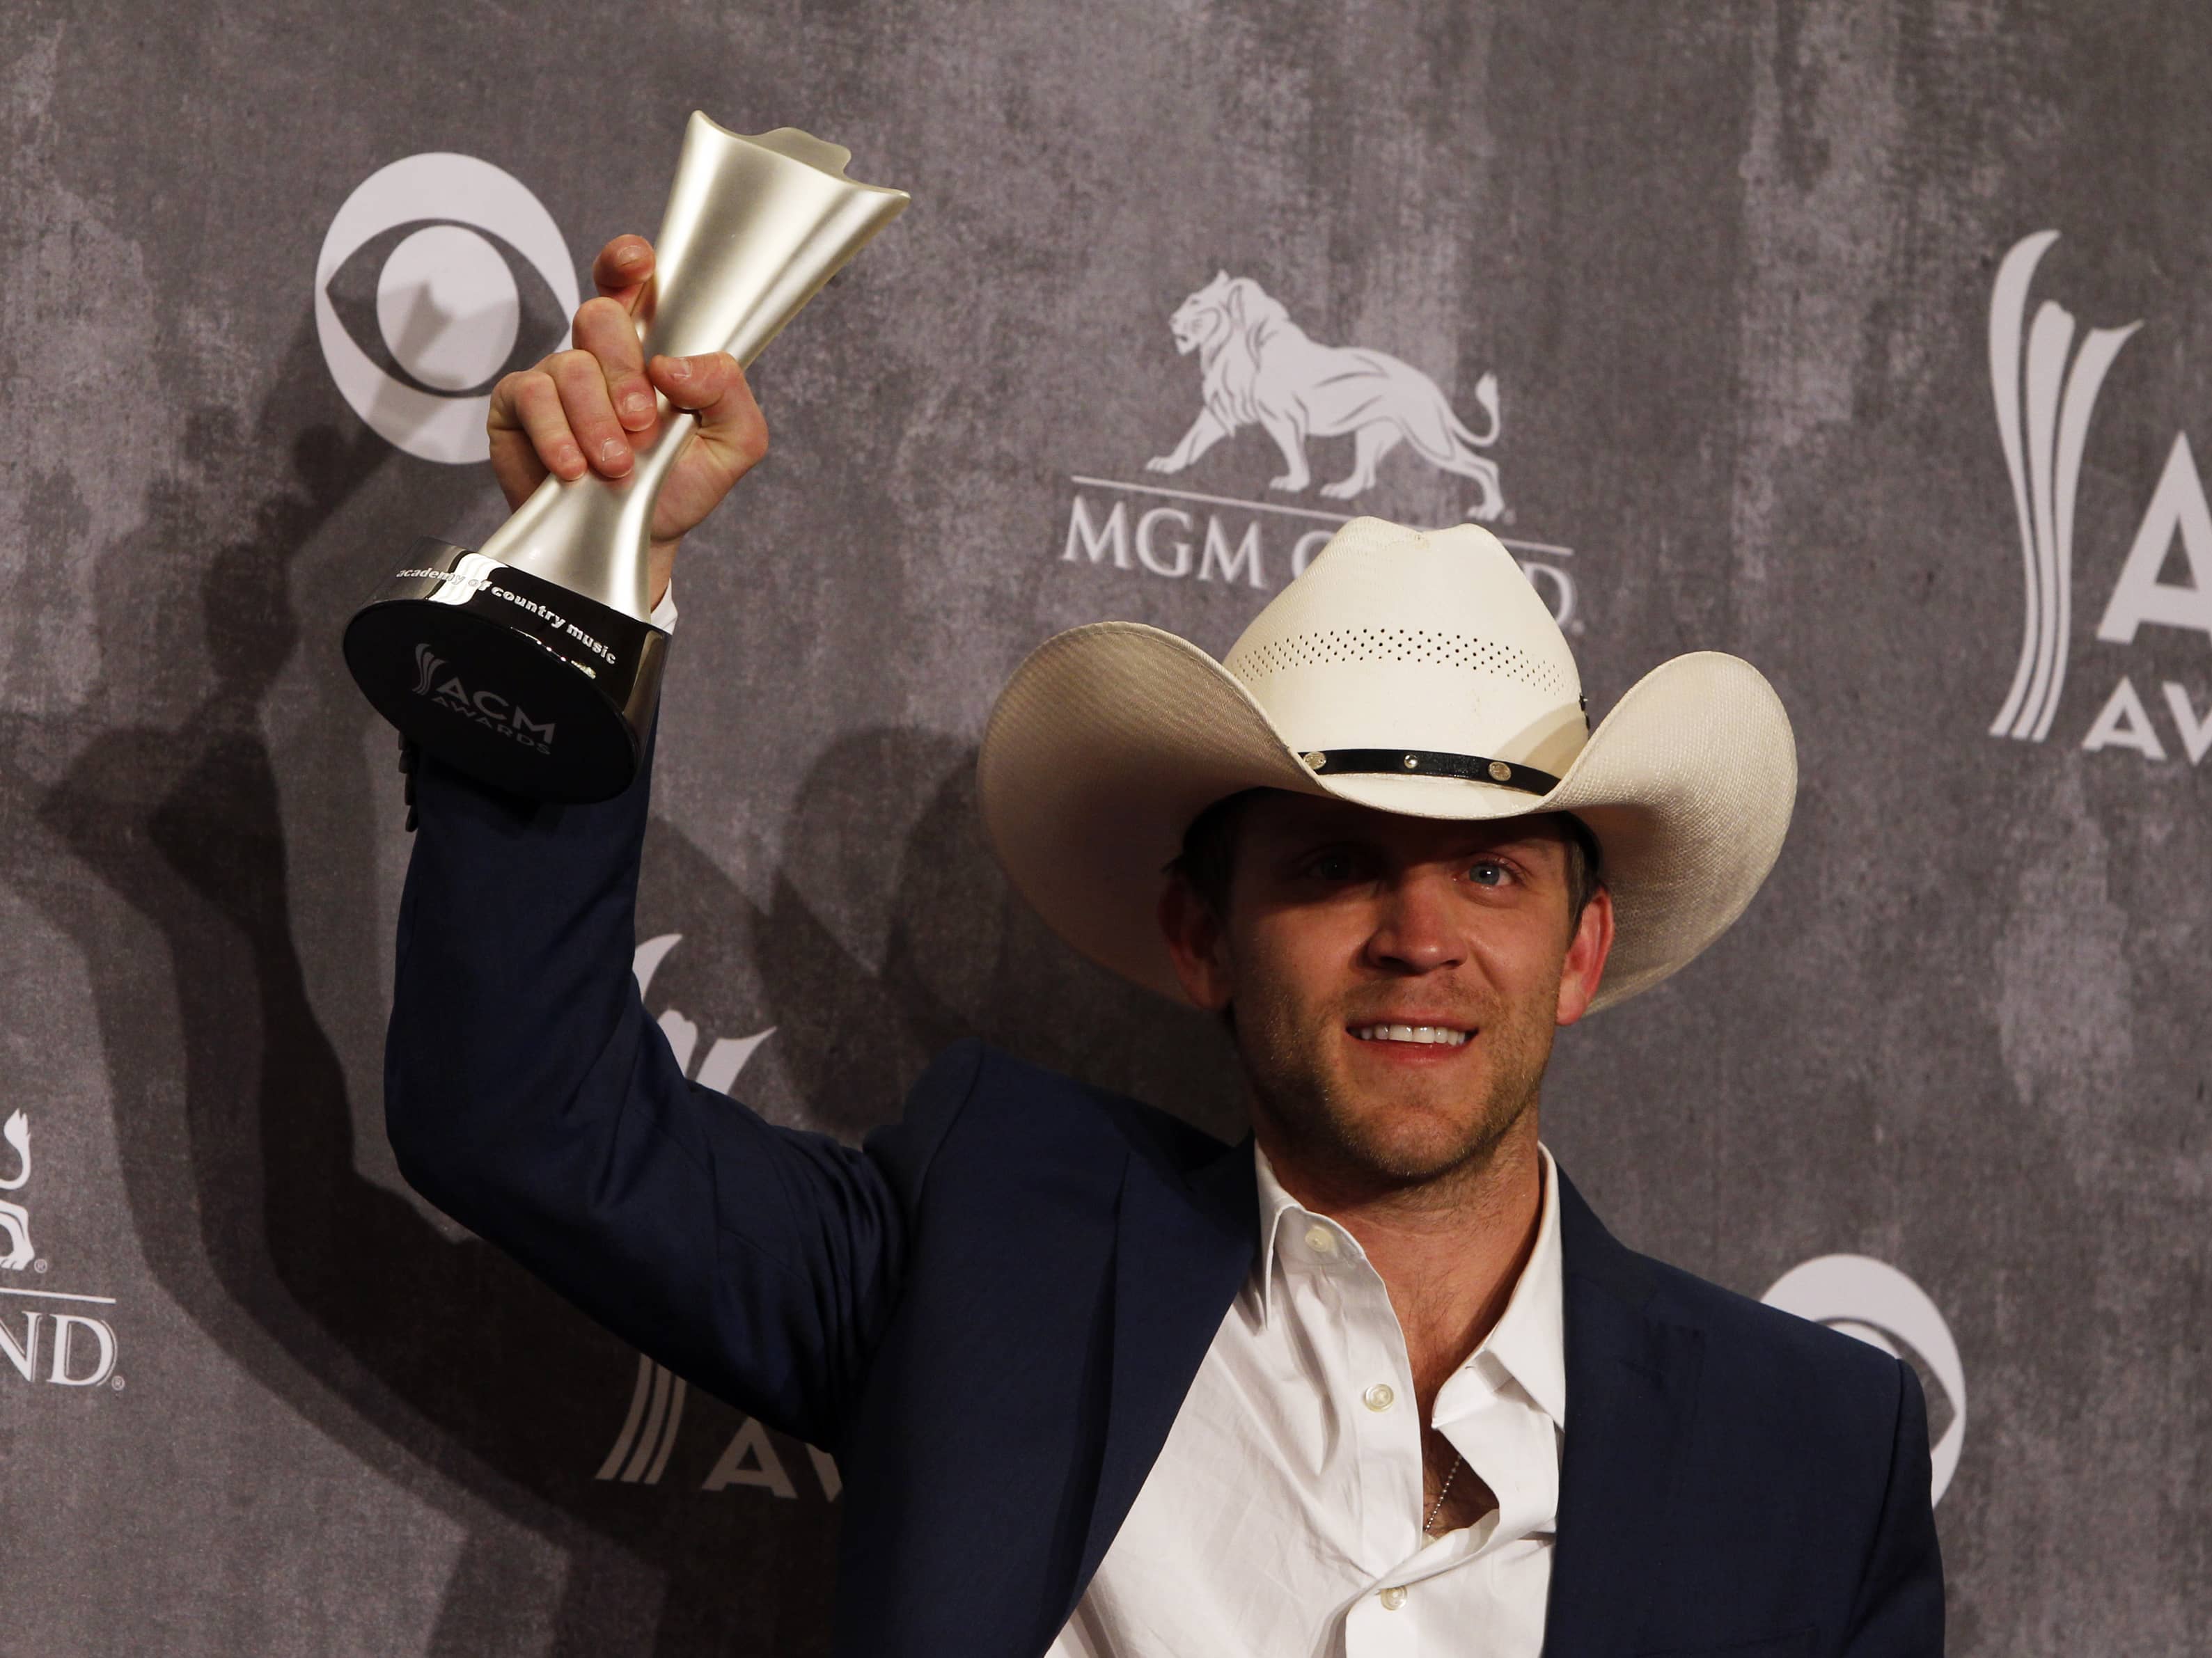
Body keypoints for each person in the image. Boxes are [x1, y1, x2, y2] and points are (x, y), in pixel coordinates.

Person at [386, 232, 1944, 1657]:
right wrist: (583, 574)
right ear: (1201, 935)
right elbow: (526, 1113)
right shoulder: (996, 1242)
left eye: (1490, 879)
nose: (1419, 939)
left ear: (1582, 952)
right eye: (1340, 867)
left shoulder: (1811, 1447)